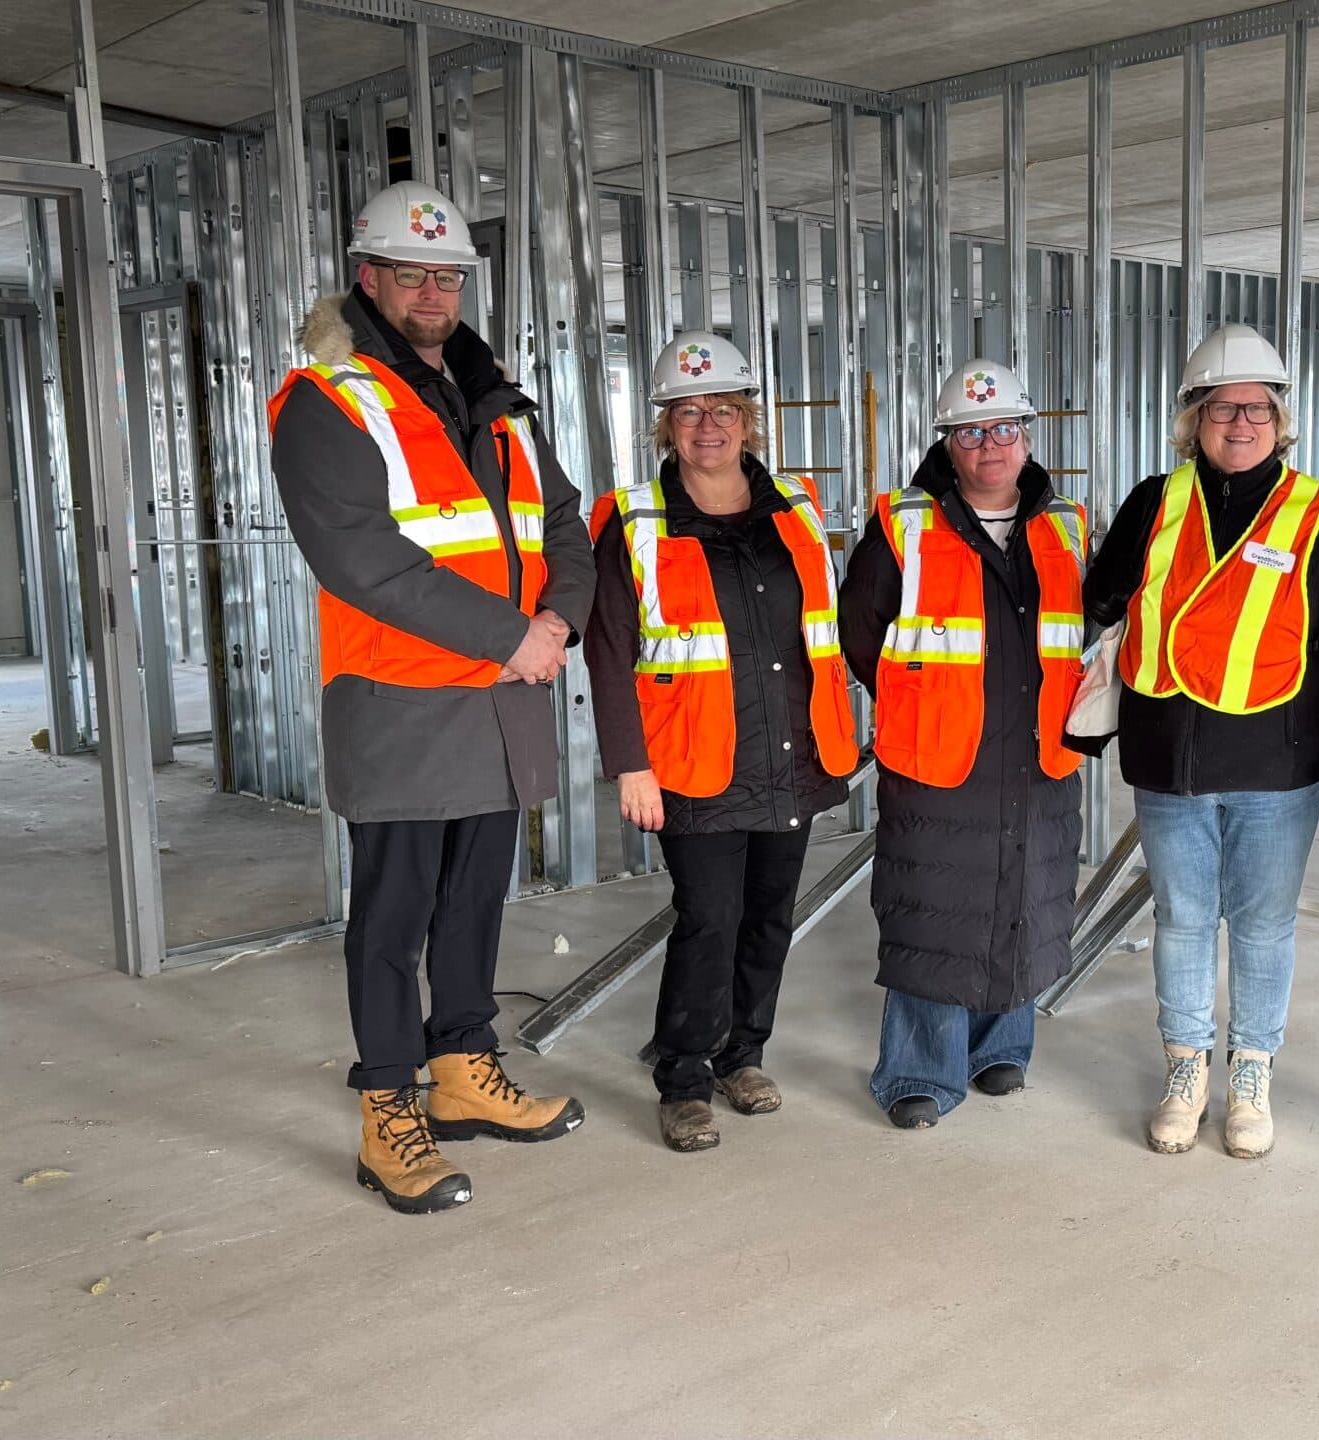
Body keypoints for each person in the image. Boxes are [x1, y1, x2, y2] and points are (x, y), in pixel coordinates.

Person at [268, 181, 592, 1215]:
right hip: (401, 704)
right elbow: (362, 558)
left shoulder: (495, 399)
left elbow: (565, 524)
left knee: (473, 903)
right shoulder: (330, 400)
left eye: (447, 276)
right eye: (410, 275)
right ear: (368, 278)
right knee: (392, 917)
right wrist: (513, 637)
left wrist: (559, 623)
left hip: (499, 703)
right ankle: (386, 1110)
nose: (431, 293)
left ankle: (461, 1071)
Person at [1082, 323, 1319, 1159]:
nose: (1240, 424)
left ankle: (1251, 1074)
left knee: (1262, 925)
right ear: (1194, 421)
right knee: (1182, 920)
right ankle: (1186, 1071)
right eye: (1221, 409)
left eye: (1257, 409)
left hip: (1278, 763)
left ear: (1280, 422)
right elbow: (1102, 600)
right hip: (1168, 756)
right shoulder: (1155, 501)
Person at [580, 330, 857, 1153]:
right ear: (666, 425)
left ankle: (744, 1056)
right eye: (690, 411)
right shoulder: (635, 519)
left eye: (724, 409)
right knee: (709, 918)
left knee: (769, 917)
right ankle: (684, 1079)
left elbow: (821, 629)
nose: (709, 426)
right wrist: (629, 764)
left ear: (748, 420)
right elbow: (609, 651)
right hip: (693, 758)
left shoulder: (795, 506)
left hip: (791, 752)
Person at [839, 361, 1087, 1128]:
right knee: (933, 909)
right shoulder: (905, 525)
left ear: (1026, 437)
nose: (991, 446)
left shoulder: (1065, 526)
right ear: (947, 443)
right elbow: (861, 631)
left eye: (1005, 428)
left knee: (1026, 895)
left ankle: (1000, 1045)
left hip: (1038, 753)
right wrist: (922, 704)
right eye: (971, 433)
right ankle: (919, 1070)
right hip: (940, 753)